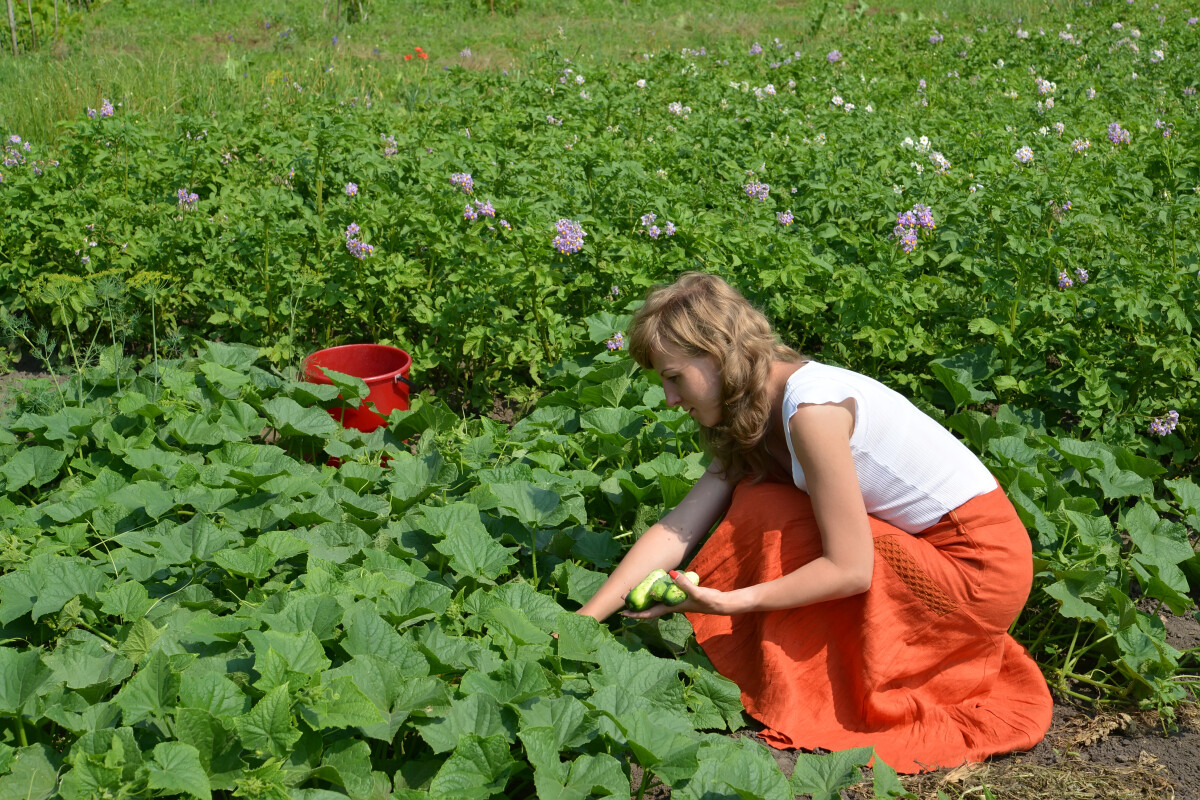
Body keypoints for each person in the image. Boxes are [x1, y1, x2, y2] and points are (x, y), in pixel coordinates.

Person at [576, 272, 1053, 774]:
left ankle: (818, 684)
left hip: (976, 567)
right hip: (934, 551)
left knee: (771, 510)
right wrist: (585, 620)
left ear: (717, 354)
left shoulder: (812, 410)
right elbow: (680, 527)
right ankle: (815, 670)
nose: (670, 399)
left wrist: (730, 603)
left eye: (674, 377)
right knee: (762, 497)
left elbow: (850, 569)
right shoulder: (756, 405)